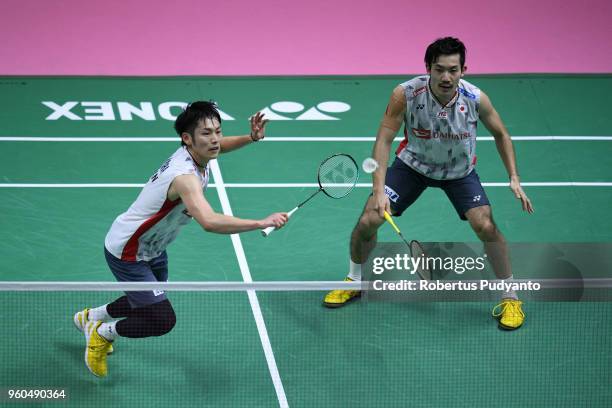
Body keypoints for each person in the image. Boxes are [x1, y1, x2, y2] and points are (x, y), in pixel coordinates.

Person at [323, 37, 534, 330]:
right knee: (369, 219)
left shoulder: (475, 99)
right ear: (428, 68)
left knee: (485, 225)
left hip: (459, 172)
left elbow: (502, 134)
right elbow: (384, 140)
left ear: (464, 70)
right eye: (439, 69)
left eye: (453, 69)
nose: (446, 77)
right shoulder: (405, 94)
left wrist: (514, 177)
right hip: (413, 166)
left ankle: (510, 297)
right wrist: (378, 190)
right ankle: (355, 280)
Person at [73, 101, 288, 377]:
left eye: (218, 132)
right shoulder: (184, 177)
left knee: (150, 299)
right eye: (207, 134)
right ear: (187, 139)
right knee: (162, 319)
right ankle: (103, 334)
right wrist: (262, 222)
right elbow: (209, 222)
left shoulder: (198, 153)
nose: (215, 140)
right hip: (128, 250)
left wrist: (251, 138)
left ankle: (91, 317)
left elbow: (222, 146)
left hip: (154, 246)